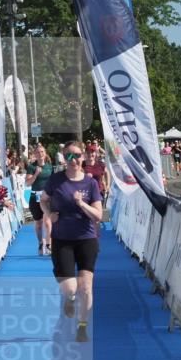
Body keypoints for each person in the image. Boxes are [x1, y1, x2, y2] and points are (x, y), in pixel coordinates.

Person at [39, 141, 103, 343]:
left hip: (86, 239)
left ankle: (82, 327)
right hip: (62, 240)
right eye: (68, 156)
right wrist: (49, 214)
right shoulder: (56, 180)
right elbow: (43, 200)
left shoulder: (91, 184)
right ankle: (70, 298)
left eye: (76, 155)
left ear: (82, 157)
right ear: (63, 158)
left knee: (86, 287)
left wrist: (81, 203)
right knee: (70, 288)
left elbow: (98, 215)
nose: (73, 160)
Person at [25, 144, 53, 256]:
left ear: (45, 153)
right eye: (38, 152)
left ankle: (49, 245)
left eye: (42, 152)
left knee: (47, 222)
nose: (40, 154)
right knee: (38, 223)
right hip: (35, 197)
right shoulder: (32, 167)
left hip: (47, 198)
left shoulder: (50, 167)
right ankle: (41, 243)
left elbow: (54, 182)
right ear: (35, 154)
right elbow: (27, 183)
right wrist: (36, 174)